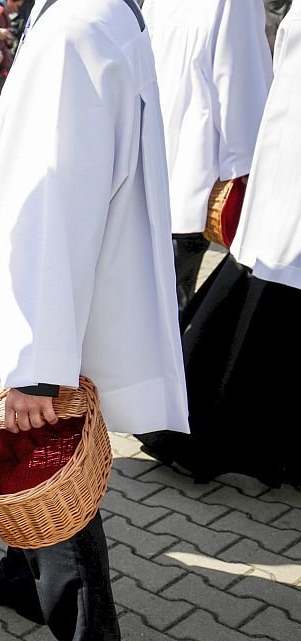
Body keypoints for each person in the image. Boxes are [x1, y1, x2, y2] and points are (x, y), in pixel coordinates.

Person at [0, 0, 189, 641]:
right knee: (42, 463)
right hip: (67, 290)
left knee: (52, 467)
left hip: (51, 303)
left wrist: (35, 363)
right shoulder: (98, 14)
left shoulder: (72, 32)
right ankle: (24, 575)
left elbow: (54, 200)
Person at [138, 3, 301, 488]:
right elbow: (241, 81)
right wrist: (240, 169)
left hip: (164, 160)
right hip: (213, 169)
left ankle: (151, 398)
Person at [142, 0, 273, 312]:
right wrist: (248, 170)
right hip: (192, 177)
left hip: (150, 169)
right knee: (171, 308)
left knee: (151, 302)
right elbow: (241, 87)